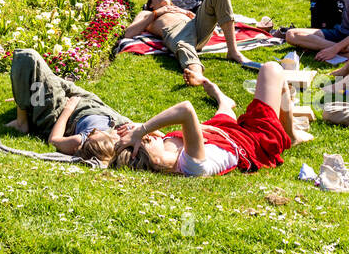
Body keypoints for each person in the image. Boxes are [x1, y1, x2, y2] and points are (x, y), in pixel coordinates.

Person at [110, 65, 304, 176]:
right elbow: (185, 109)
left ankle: (220, 97)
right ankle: (291, 135)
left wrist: (135, 132)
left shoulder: (165, 150)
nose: (146, 138)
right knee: (272, 70)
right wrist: (141, 130)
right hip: (256, 138)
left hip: (221, 132)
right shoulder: (192, 165)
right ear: (152, 160)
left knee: (224, 112)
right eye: (144, 143)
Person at [6, 48, 131, 164]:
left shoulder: (79, 142)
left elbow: (53, 140)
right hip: (91, 103)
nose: (96, 130)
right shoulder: (117, 142)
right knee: (50, 80)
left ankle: (21, 123)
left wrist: (68, 110)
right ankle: (28, 96)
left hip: (63, 109)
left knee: (27, 57)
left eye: (92, 133)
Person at [120, 0, 257, 85]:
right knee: (183, 46)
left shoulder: (180, 9)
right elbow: (129, 33)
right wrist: (157, 13)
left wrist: (189, 14)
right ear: (150, 4)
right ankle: (196, 74)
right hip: (176, 32)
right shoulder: (147, 14)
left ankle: (233, 51)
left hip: (196, 26)